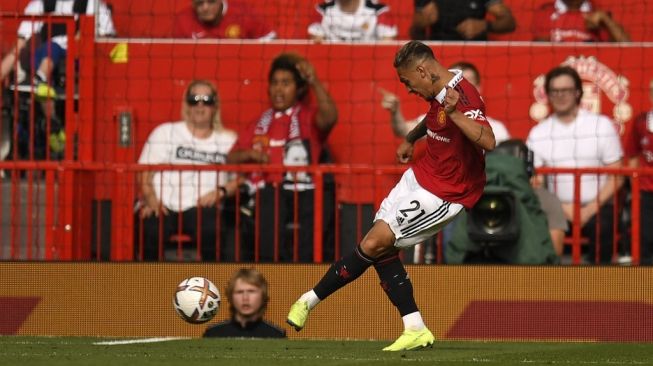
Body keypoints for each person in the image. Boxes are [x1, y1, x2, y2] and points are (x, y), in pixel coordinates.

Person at [287, 41, 496, 351]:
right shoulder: (440, 85)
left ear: (423, 70)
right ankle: (414, 327)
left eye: (407, 81)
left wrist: (456, 114)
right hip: (420, 176)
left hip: (444, 193)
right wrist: (411, 137)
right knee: (382, 246)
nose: (408, 89)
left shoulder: (463, 96)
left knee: (373, 243)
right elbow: (436, 115)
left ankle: (308, 300)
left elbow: (489, 140)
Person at [227, 52, 338, 262]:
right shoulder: (260, 122)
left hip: (305, 191)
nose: (278, 89)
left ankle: (309, 272)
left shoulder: (307, 117)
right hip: (270, 191)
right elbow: (231, 158)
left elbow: (330, 117)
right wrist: (250, 154)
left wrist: (313, 80)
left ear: (298, 89)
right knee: (269, 199)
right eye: (275, 83)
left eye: (286, 83)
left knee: (319, 202)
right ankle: (273, 270)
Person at [526, 66, 624, 264]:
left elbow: (618, 175)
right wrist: (561, 208)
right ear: (548, 95)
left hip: (598, 205)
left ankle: (600, 284)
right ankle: (546, 283)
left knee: (603, 226)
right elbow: (533, 181)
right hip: (556, 206)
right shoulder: (538, 133)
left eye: (566, 90)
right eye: (555, 91)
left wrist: (589, 209)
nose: (560, 96)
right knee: (532, 222)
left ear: (578, 92)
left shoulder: (601, 125)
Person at [135, 80, 240, 261]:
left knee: (214, 231)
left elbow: (241, 179)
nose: (200, 105)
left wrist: (220, 191)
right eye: (194, 99)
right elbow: (145, 171)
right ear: (186, 104)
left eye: (206, 99)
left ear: (215, 106)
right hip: (163, 205)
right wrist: (151, 199)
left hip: (202, 207)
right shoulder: (166, 132)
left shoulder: (228, 140)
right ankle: (148, 285)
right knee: (149, 230)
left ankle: (212, 284)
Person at [0, 0, 116, 97]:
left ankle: (40, 82)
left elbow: (107, 40)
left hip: (81, 60)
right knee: (51, 48)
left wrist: (83, 37)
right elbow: (19, 46)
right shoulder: (40, 5)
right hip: (45, 55)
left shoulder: (93, 5)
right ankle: (40, 81)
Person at [381, 61, 510, 143]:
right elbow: (403, 131)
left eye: (467, 83)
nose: (461, 89)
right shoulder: (436, 120)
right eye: (455, 84)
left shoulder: (497, 130)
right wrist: (395, 111)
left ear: (478, 88)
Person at [622, 78, 653, 265]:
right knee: (644, 241)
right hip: (646, 193)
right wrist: (635, 189)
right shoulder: (640, 122)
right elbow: (632, 156)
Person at [204, 268, 286, 338]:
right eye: (239, 292)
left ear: (263, 295)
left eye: (251, 291)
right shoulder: (213, 334)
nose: (245, 298)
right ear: (231, 296)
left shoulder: (276, 335)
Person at [410, 0, 516, 41]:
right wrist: (420, 25)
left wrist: (485, 26)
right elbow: (415, 33)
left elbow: (510, 22)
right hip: (438, 53)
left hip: (475, 51)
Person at [173, 0, 276, 40]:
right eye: (200, 3)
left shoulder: (243, 13)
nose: (205, 8)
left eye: (211, 1)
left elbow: (271, 37)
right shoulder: (183, 19)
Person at [533, 0, 630, 42]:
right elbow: (538, 49)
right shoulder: (545, 11)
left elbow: (627, 46)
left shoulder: (598, 11)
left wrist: (605, 19)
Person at [307, 0, 398, 42]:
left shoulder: (380, 10)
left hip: (368, 63)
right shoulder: (321, 10)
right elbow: (317, 43)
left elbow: (387, 44)